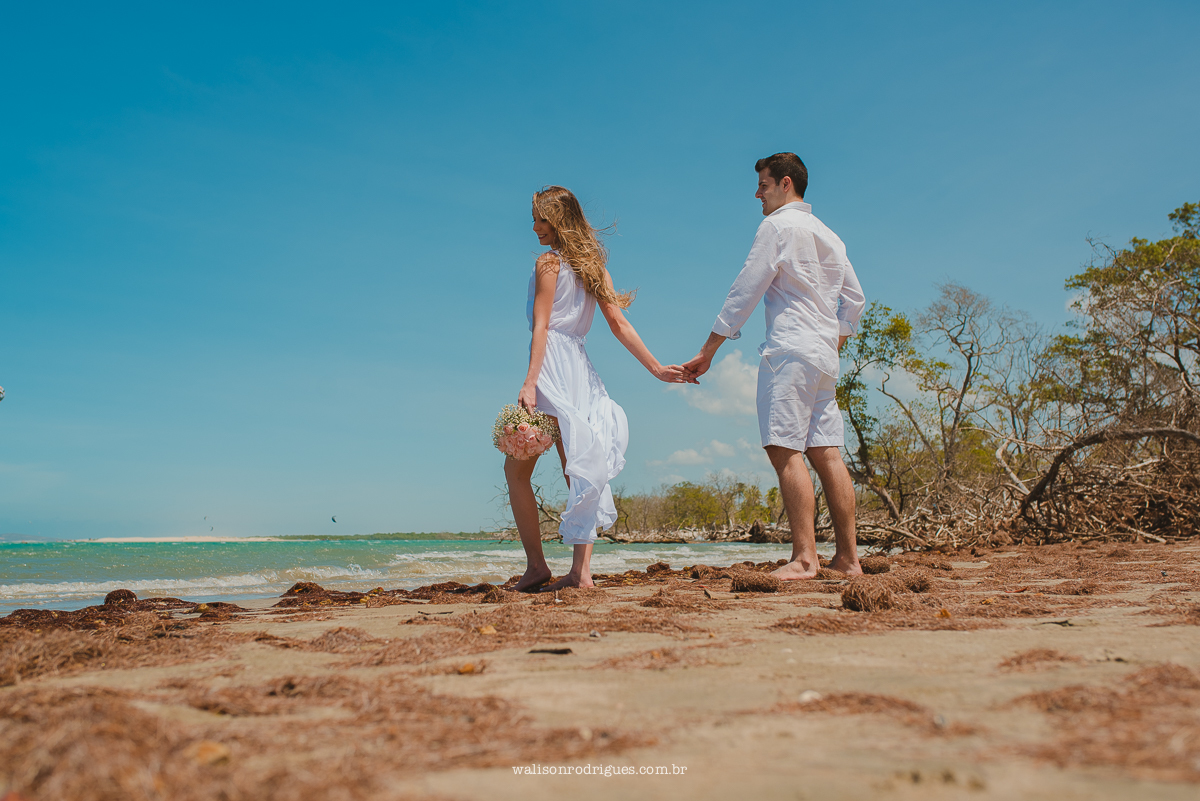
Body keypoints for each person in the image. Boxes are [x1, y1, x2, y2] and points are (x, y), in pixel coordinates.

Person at [683, 153, 866, 580]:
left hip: (790, 351)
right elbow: (855, 299)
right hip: (823, 356)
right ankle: (849, 560)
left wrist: (709, 350)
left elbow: (745, 289)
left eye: (763, 185)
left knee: (784, 449)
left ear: (786, 184)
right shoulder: (831, 236)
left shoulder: (777, 226)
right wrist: (836, 335)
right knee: (827, 452)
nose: (757, 194)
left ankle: (805, 559)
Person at [508, 186, 685, 592]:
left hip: (552, 364)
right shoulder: (594, 267)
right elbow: (620, 325)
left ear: (557, 221)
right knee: (581, 467)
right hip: (580, 369)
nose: (535, 228)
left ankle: (538, 566)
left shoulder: (548, 263)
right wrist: (656, 368)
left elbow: (542, 325)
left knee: (517, 469)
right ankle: (580, 573)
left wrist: (530, 381)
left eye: (540, 219)